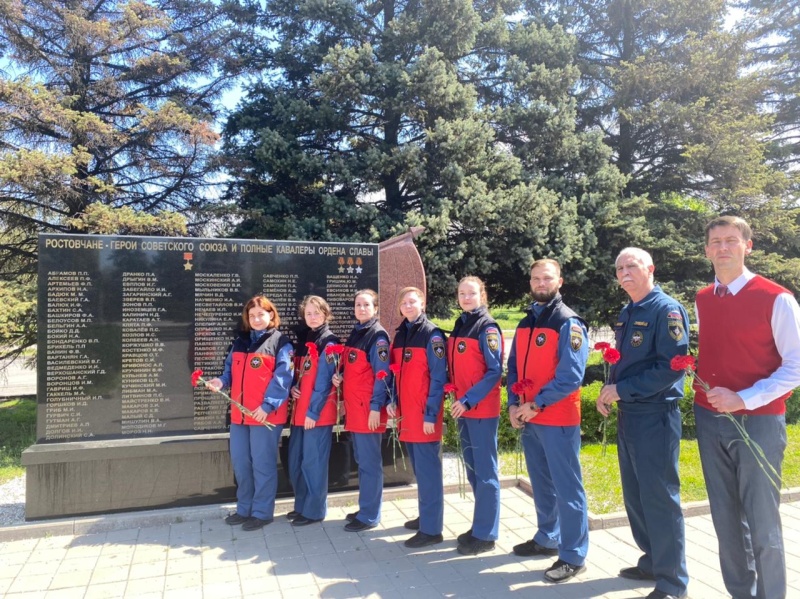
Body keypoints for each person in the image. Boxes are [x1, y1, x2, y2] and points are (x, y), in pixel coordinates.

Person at [694, 216, 800, 599]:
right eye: (715, 241)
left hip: (758, 422)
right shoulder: (703, 298)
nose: (723, 248)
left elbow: (796, 366)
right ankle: (741, 592)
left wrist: (744, 398)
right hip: (708, 419)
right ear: (706, 249)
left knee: (762, 521)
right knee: (724, 519)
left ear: (748, 246)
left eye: (731, 241)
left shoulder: (776, 298)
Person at [597, 248, 689, 599]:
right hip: (630, 414)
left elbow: (673, 366)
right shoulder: (629, 310)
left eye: (631, 266)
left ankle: (672, 583)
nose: (624, 272)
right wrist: (610, 392)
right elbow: (626, 362)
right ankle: (652, 560)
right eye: (619, 267)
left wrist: (622, 389)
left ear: (650, 268)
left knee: (660, 499)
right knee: (636, 495)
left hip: (655, 416)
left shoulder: (666, 310)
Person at [507, 259, 589, 583]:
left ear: (559, 281)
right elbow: (514, 366)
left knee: (568, 489)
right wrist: (515, 404)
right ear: (530, 282)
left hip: (557, 419)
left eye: (548, 278)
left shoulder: (569, 322)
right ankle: (547, 537)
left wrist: (535, 405)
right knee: (541, 484)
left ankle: (573, 555)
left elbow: (571, 376)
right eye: (536, 278)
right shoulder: (526, 321)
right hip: (530, 417)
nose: (542, 283)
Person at [206, 295, 293, 531]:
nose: (256, 319)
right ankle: (244, 509)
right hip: (239, 416)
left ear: (271, 315)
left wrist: (267, 406)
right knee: (241, 464)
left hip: (264, 416)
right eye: (252, 315)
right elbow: (228, 373)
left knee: (262, 465)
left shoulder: (280, 343)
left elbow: (283, 377)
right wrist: (220, 382)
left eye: (261, 314)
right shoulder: (239, 343)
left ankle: (263, 512)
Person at [447, 276, 503, 555]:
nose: (466, 298)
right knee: (474, 471)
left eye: (471, 293)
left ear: (482, 294)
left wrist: (467, 400)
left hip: (480, 409)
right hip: (463, 409)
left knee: (486, 472)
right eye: (462, 293)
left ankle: (487, 534)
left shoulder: (487, 327)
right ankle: (480, 524)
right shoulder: (462, 323)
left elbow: (495, 372)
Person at [387, 286, 447, 548]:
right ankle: (427, 517)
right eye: (404, 302)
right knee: (421, 472)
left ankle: (432, 531)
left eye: (413, 301)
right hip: (406, 415)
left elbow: (438, 378)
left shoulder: (431, 335)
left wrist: (430, 414)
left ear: (422, 303)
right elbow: (395, 375)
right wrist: (392, 402)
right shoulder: (401, 334)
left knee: (429, 473)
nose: (408, 306)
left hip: (423, 415)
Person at [332, 289, 390, 532]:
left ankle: (370, 515)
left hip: (368, 410)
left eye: (367, 305)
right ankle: (366, 506)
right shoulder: (357, 333)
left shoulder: (377, 337)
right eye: (358, 305)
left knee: (369, 463)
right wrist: (341, 375)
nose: (362, 309)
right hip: (356, 410)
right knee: (362, 461)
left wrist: (376, 407)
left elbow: (381, 375)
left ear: (376, 308)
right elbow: (359, 368)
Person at [286, 295, 339, 527]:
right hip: (300, 413)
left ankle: (315, 511)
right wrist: (294, 388)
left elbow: (324, 382)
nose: (313, 317)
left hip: (316, 415)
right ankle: (302, 506)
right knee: (297, 460)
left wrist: (313, 413)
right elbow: (304, 375)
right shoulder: (306, 340)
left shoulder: (329, 342)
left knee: (313, 463)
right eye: (308, 313)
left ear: (326, 314)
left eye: (317, 312)